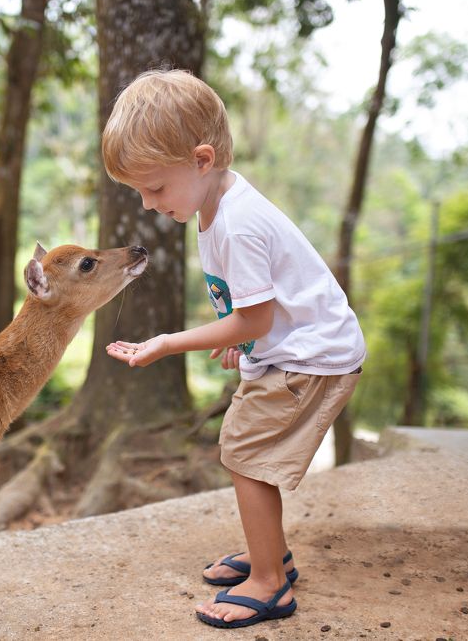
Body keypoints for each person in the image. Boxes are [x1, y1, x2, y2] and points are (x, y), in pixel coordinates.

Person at [101, 69, 366, 630]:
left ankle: (270, 583)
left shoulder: (239, 223)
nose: (149, 205)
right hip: (291, 348)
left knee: (244, 450)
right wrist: (242, 335)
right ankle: (271, 553)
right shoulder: (212, 205)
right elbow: (252, 309)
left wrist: (171, 343)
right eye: (140, 193)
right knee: (247, 449)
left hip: (311, 356)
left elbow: (256, 314)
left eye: (154, 188)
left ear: (201, 159)